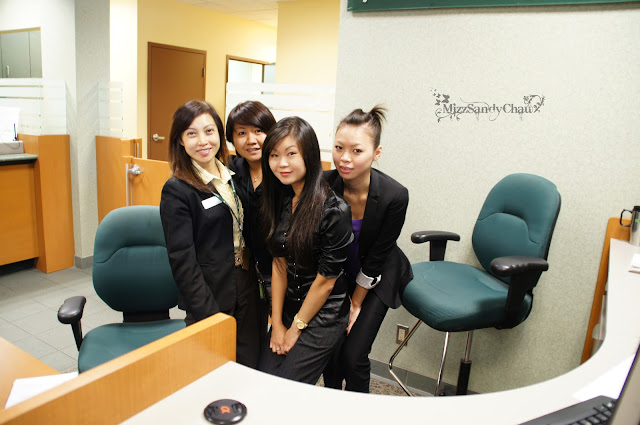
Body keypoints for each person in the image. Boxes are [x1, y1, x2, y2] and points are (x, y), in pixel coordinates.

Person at [159, 99, 260, 368]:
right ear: (180, 140)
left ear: (219, 134)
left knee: (249, 363)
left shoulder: (235, 172)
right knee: (213, 368)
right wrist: (208, 314)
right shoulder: (177, 190)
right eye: (192, 133)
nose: (203, 141)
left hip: (246, 282)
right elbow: (182, 260)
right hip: (210, 292)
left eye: (209, 131)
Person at [323, 105, 413, 393]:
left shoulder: (394, 196)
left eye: (357, 150)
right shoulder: (323, 185)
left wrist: (356, 303)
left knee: (354, 355)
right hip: (337, 274)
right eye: (339, 147)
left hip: (377, 275)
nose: (344, 158)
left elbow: (377, 257)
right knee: (331, 350)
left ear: (377, 153)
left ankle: (360, 410)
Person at [258, 116, 353, 384]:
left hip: (323, 314)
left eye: (291, 153)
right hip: (289, 307)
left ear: (309, 155)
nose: (282, 163)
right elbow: (279, 264)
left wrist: (295, 328)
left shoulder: (334, 210)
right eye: (274, 155)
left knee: (286, 387)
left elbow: (325, 282)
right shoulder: (280, 198)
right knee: (263, 380)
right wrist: (277, 323)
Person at [226, 100, 277, 345]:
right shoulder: (230, 170)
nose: (251, 140)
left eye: (258, 131)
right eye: (241, 133)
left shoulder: (283, 172)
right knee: (251, 336)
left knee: (282, 331)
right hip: (247, 272)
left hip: (281, 271)